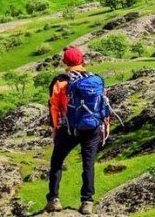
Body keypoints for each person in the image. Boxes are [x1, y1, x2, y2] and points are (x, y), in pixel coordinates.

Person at [45, 47, 111, 215]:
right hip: (92, 127)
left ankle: (54, 199)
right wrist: (105, 122)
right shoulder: (94, 78)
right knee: (88, 163)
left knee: (57, 162)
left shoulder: (60, 81)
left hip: (69, 128)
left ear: (64, 62)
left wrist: (55, 128)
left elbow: (54, 107)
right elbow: (103, 103)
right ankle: (87, 202)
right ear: (83, 60)